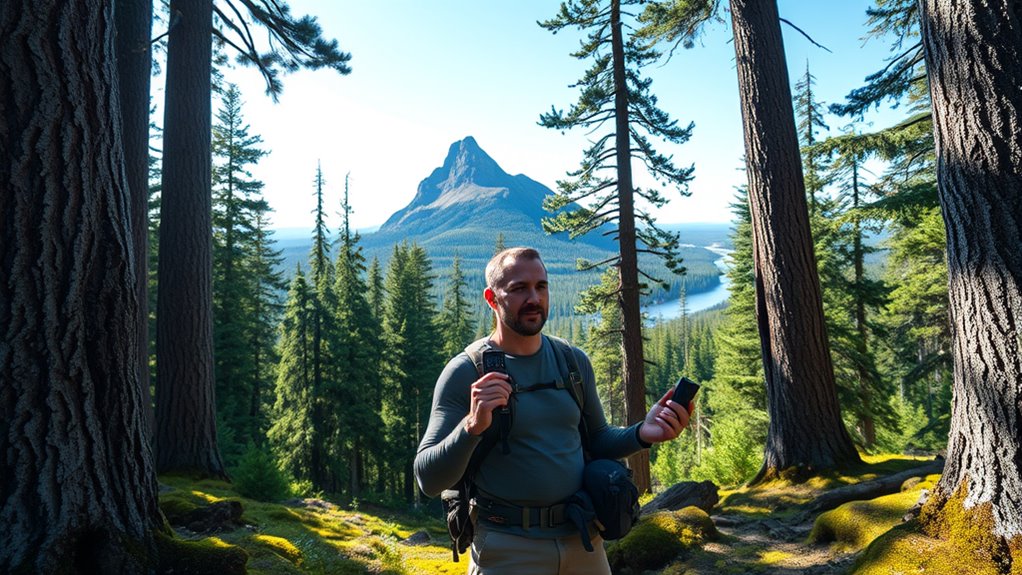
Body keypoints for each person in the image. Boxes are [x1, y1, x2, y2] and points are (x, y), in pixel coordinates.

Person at [414, 247, 692, 575]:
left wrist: (642, 433)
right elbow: (428, 478)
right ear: (492, 298)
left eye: (541, 286)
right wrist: (472, 426)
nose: (533, 298)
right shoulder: (466, 372)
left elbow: (598, 438)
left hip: (583, 540)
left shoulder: (571, 361)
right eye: (519, 289)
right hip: (507, 548)